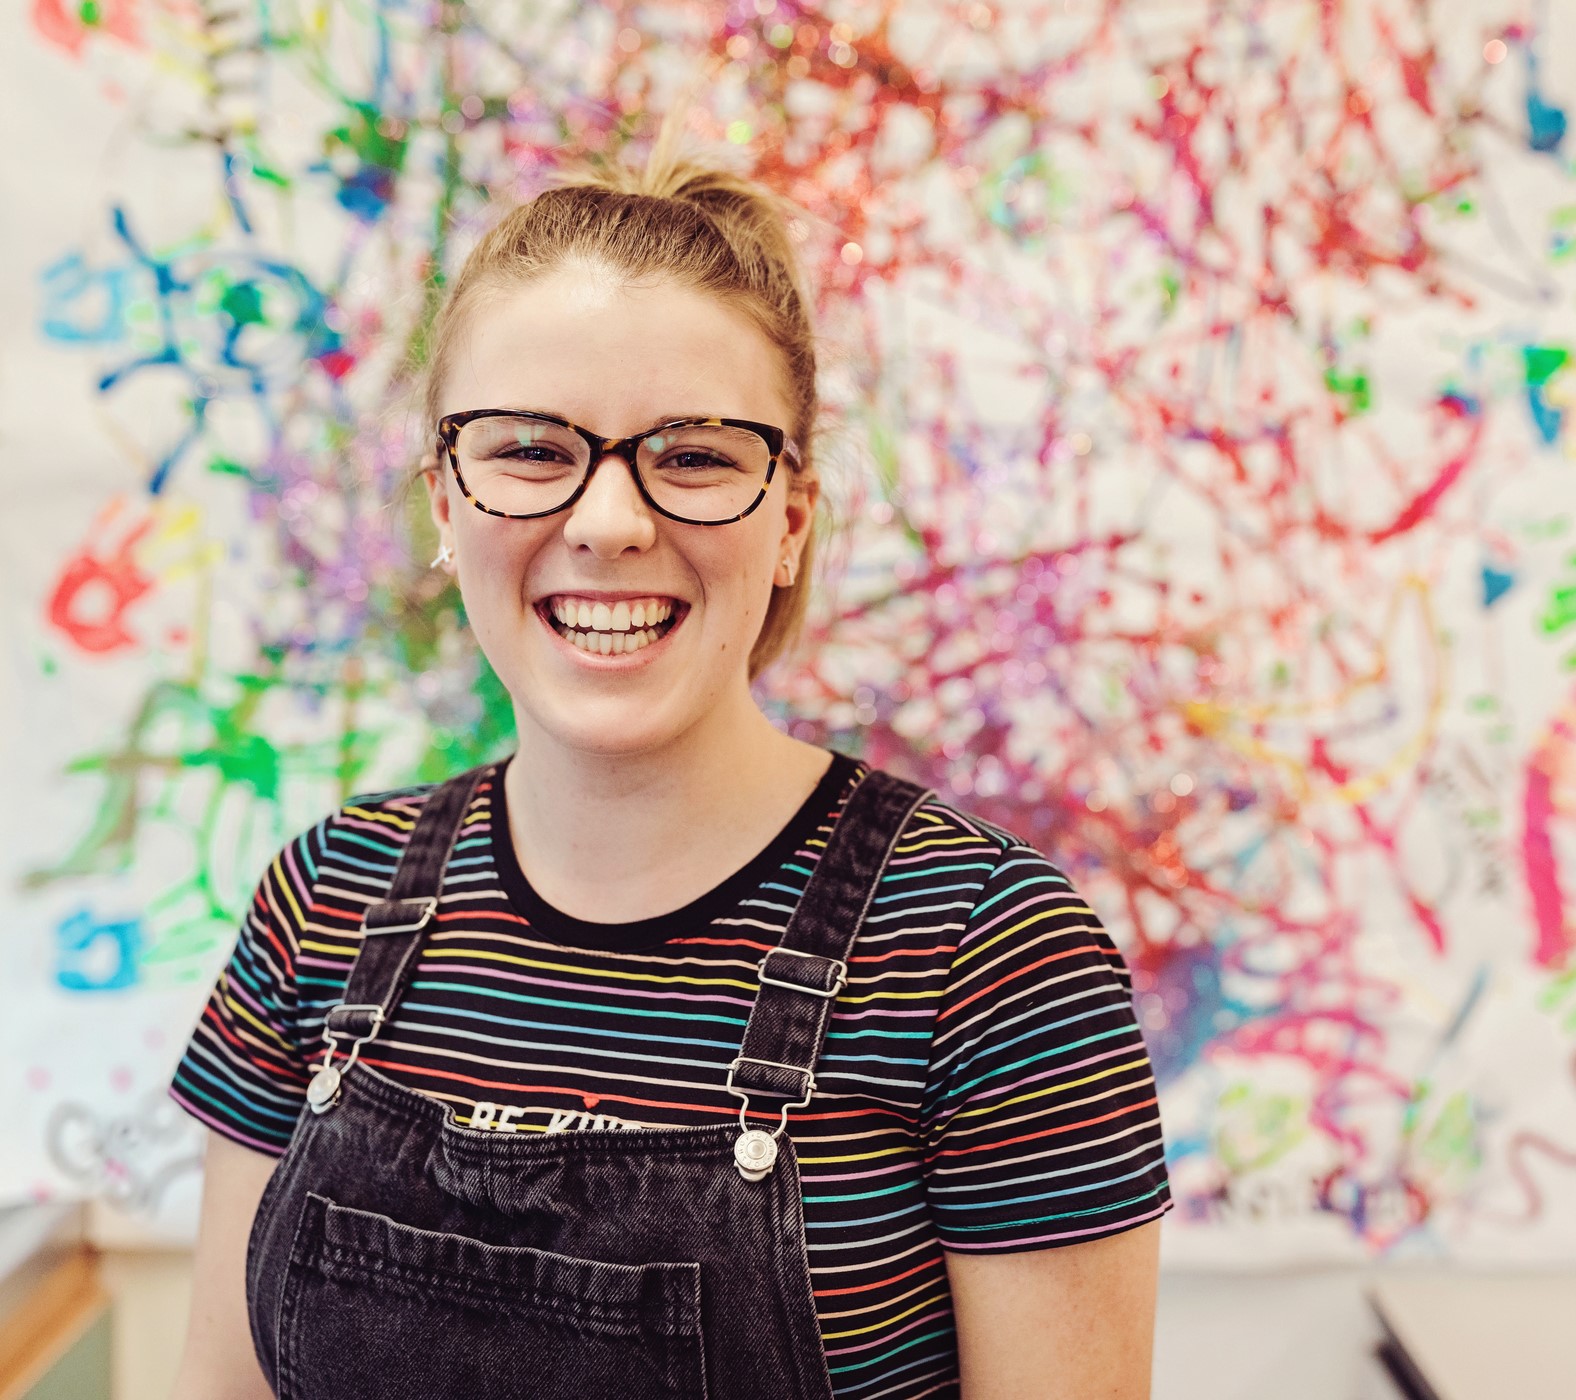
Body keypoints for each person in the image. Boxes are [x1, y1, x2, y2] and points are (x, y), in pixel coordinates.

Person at [168, 113, 1173, 1400]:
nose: (607, 520)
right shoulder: (324, 901)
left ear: (791, 518)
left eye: (692, 457)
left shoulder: (989, 955)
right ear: (444, 499)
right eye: (531, 449)